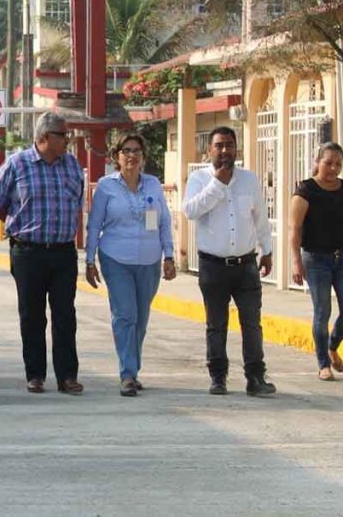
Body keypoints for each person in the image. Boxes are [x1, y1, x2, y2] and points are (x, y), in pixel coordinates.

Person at [0, 112, 85, 395]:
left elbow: (78, 202)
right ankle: (36, 374)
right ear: (44, 138)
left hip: (63, 253)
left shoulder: (72, 165)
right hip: (28, 252)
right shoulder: (18, 164)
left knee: (65, 315)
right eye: (62, 135)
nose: (68, 140)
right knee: (32, 316)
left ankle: (67, 376)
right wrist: (20, 225)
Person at [182, 126, 276, 397]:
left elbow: (260, 218)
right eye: (219, 145)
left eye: (229, 145)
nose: (225, 151)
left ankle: (255, 378)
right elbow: (191, 210)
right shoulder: (199, 178)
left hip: (246, 265)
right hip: (213, 266)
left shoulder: (249, 180)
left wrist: (267, 250)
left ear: (237, 149)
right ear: (209, 150)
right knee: (216, 324)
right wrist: (218, 184)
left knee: (251, 323)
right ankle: (218, 377)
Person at [85, 133, 177, 397]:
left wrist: (168, 256)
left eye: (137, 151)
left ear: (143, 157)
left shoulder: (153, 185)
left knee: (141, 319)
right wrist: (90, 260)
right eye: (126, 151)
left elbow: (163, 222)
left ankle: (132, 368)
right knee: (126, 315)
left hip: (149, 260)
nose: (132, 156)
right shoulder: (106, 186)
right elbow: (94, 225)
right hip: (116, 258)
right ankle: (127, 373)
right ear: (117, 156)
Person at [289, 142, 343, 381]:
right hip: (315, 260)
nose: (333, 168)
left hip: (341, 257)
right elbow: (295, 229)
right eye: (328, 162)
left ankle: (332, 346)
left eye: (338, 164)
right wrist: (296, 261)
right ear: (317, 162)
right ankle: (323, 363)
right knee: (323, 311)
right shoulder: (306, 190)